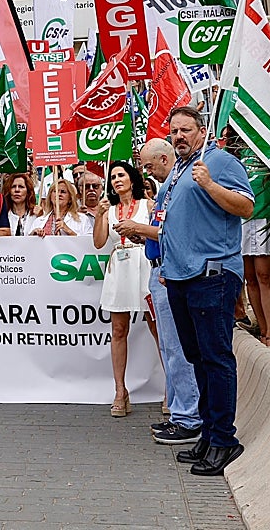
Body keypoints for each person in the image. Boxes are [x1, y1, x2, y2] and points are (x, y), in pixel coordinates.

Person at [156, 106, 253, 475]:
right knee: (198, 359)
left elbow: (245, 206)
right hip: (181, 278)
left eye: (185, 130)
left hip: (212, 275)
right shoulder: (180, 169)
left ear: (202, 132)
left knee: (215, 359)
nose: (179, 136)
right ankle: (210, 435)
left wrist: (211, 184)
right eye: (174, 131)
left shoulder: (221, 162)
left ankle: (225, 440)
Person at [121, 139, 202, 446]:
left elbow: (175, 231)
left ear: (164, 159)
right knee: (170, 348)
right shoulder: (167, 188)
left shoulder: (174, 189)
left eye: (149, 165)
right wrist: (146, 240)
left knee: (178, 348)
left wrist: (139, 229)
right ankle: (182, 414)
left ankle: (188, 417)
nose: (145, 170)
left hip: (170, 270)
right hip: (159, 266)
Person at [92, 160, 158, 416]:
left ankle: (171, 389)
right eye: (112, 177)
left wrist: (139, 234)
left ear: (132, 178)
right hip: (119, 267)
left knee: (156, 326)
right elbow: (99, 243)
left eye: (121, 175)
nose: (116, 180)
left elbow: (157, 234)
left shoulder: (148, 205)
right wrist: (99, 214)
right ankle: (120, 390)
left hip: (144, 264)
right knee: (118, 329)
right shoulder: (108, 209)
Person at [236, 144, 270, 353]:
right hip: (241, 218)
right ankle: (262, 331)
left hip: (269, 216)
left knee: (265, 276)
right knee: (250, 278)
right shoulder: (234, 150)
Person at [0, 172, 37, 237]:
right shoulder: (2, 215)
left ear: (28, 191)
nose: (17, 190)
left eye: (21, 187)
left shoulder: (37, 214)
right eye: (13, 187)